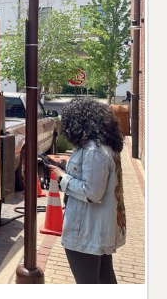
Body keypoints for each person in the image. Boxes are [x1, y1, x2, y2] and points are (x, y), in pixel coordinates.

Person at [49, 98, 127, 284]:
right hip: (96, 230)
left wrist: (62, 177)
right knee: (105, 279)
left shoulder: (94, 150)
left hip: (86, 230)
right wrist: (67, 168)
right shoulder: (103, 146)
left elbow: (92, 193)